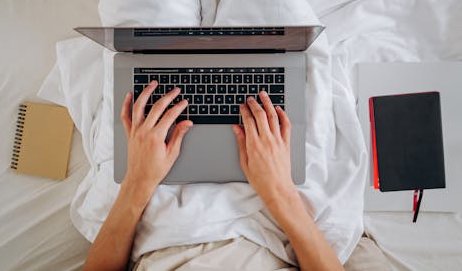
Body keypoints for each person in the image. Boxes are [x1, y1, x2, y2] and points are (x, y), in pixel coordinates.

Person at [82, 80, 344, 271]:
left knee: (142, 18)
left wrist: (137, 181)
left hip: (149, 208)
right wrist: (279, 190)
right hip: (274, 213)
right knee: (276, 16)